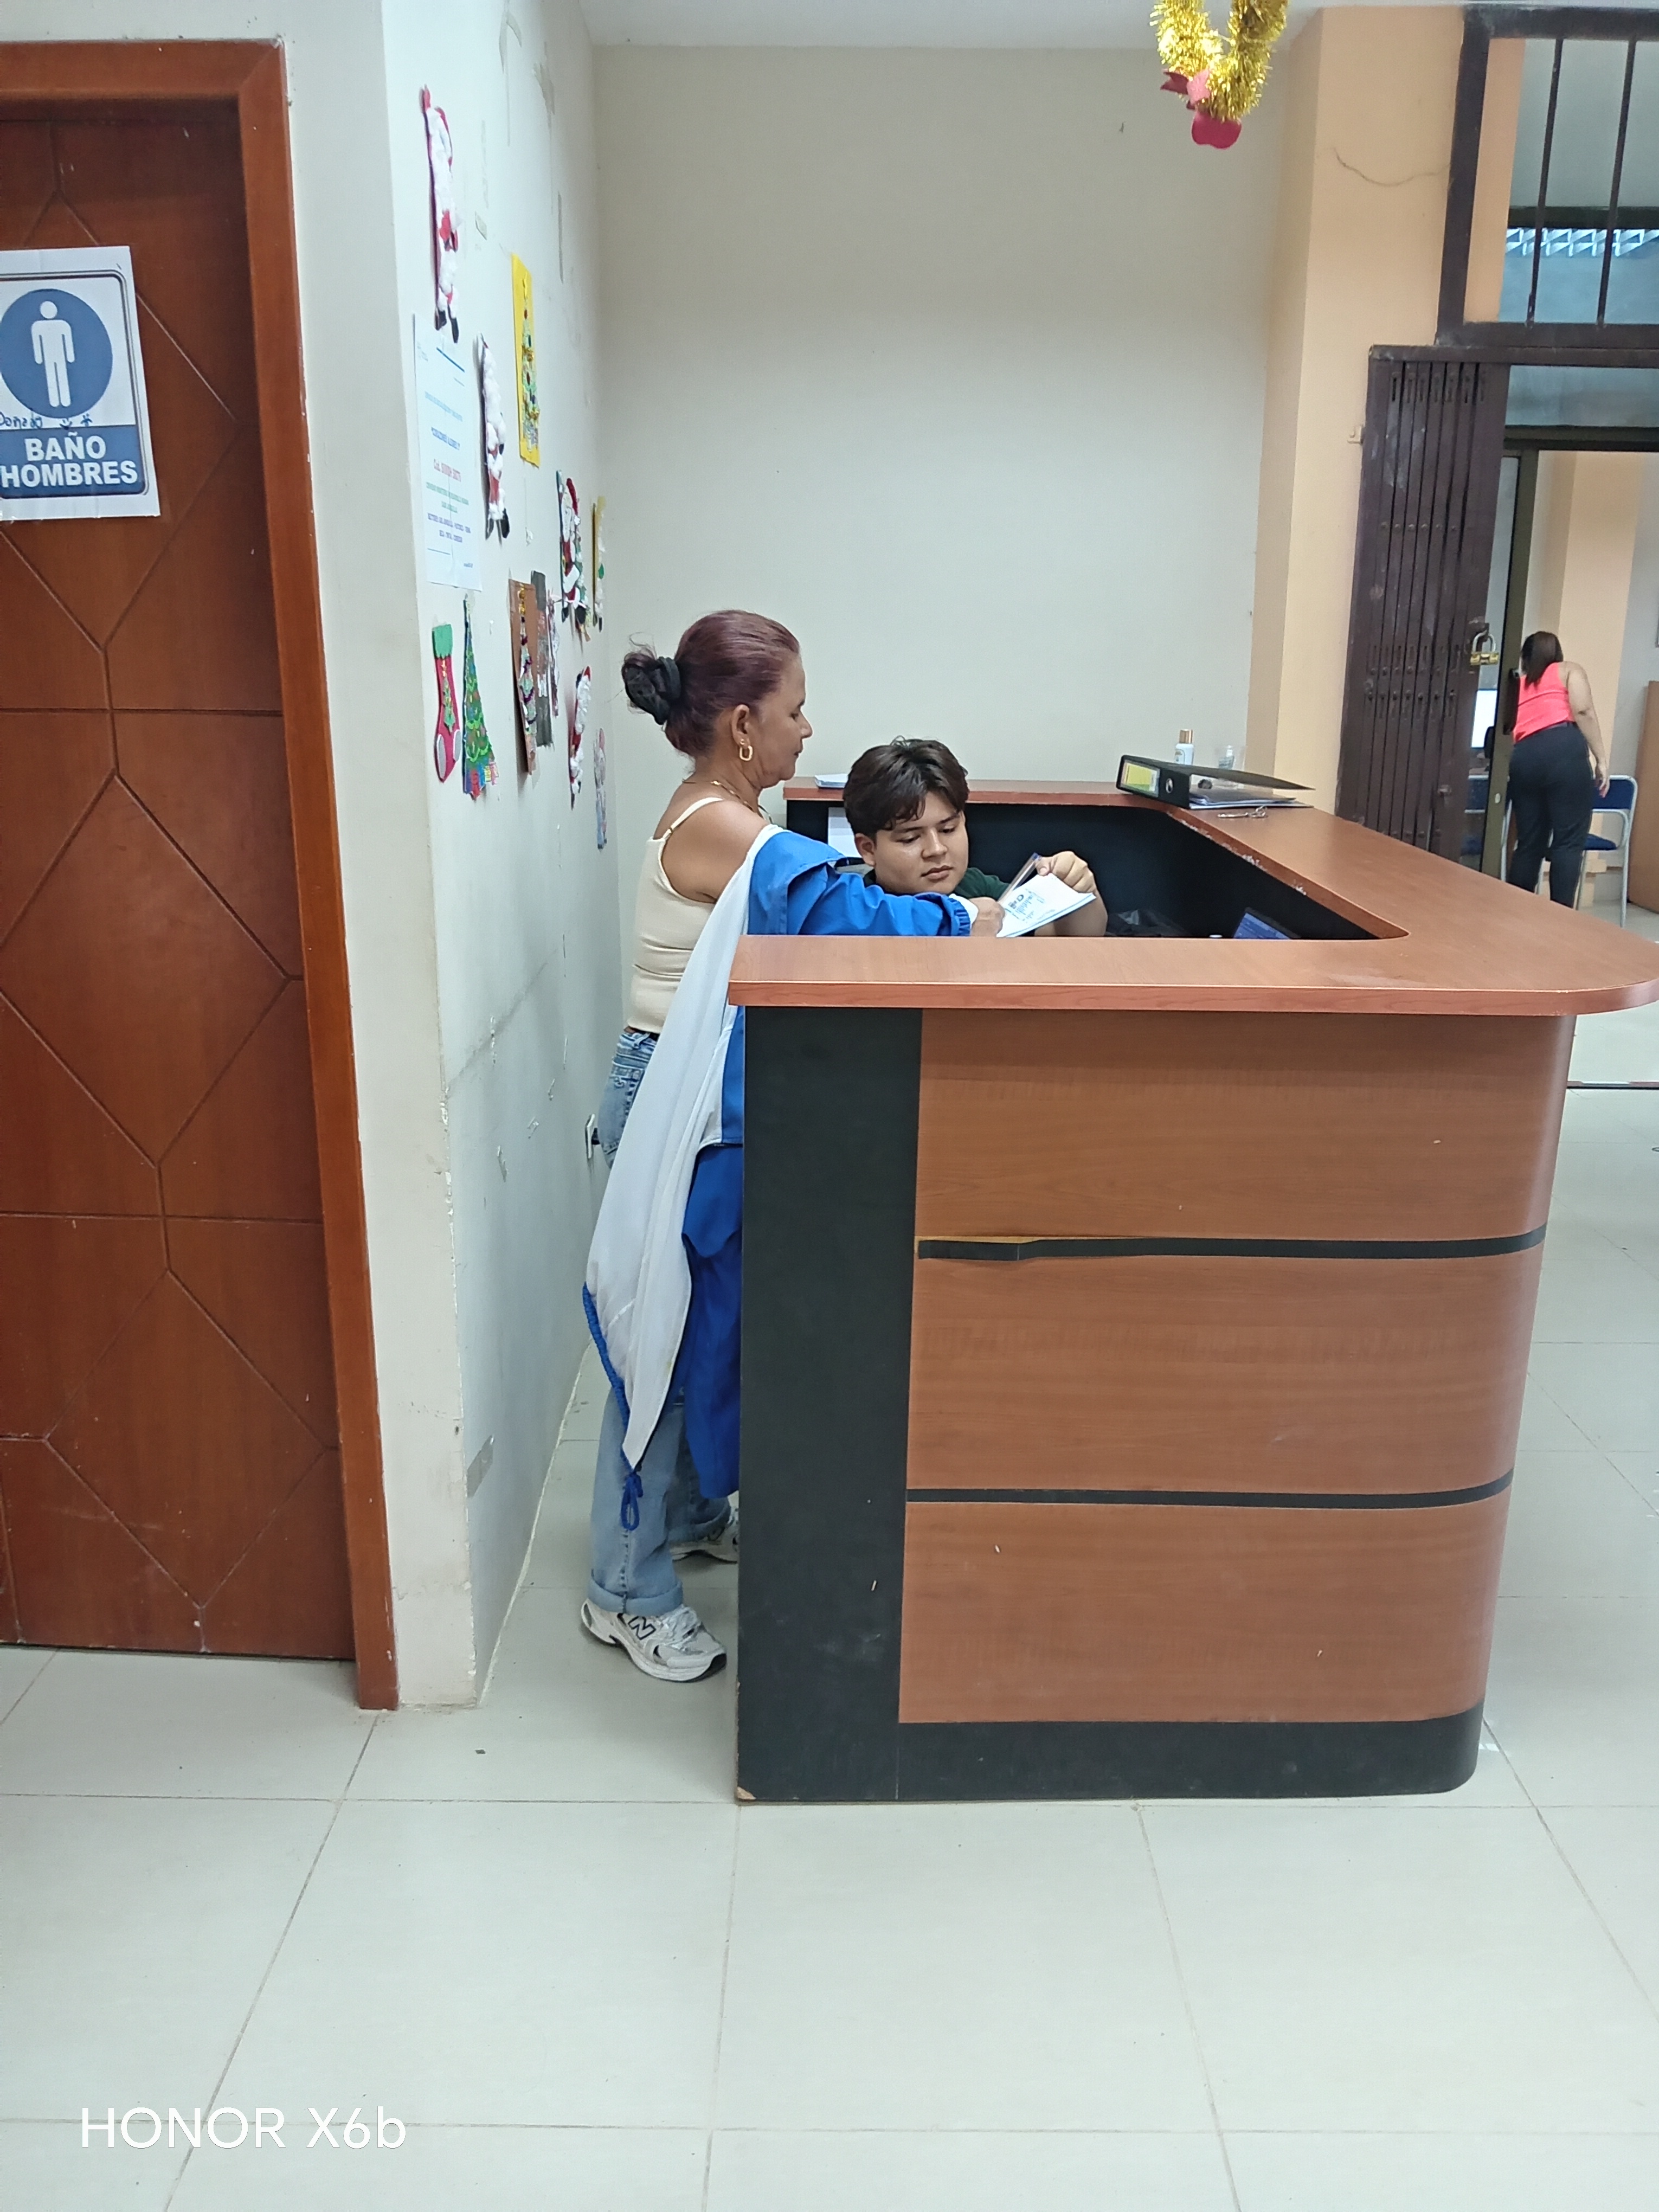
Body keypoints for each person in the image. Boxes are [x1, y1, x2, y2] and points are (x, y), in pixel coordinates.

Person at [583, 616, 1003, 1684]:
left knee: (705, 1327)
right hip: (671, 1107)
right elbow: (840, 911)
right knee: (662, 1346)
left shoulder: (739, 817)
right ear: (742, 723)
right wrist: (971, 923)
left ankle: (684, 1517)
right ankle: (624, 1591)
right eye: (795, 710)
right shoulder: (721, 827)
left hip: (705, 1101)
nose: (807, 730)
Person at [841, 737, 1107, 933]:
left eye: (948, 829)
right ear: (868, 849)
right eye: (910, 838)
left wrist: (1079, 891)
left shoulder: (975, 887)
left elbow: (1062, 938)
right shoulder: (861, 912)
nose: (936, 849)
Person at [1507, 631, 1610, 910]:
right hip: (1563, 752)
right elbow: (1583, 711)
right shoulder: (1569, 670)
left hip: (1524, 755)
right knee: (1568, 842)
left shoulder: (1518, 685)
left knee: (1529, 842)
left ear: (1525, 658)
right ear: (1558, 654)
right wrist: (1601, 759)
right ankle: (1561, 918)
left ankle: (1515, 911)